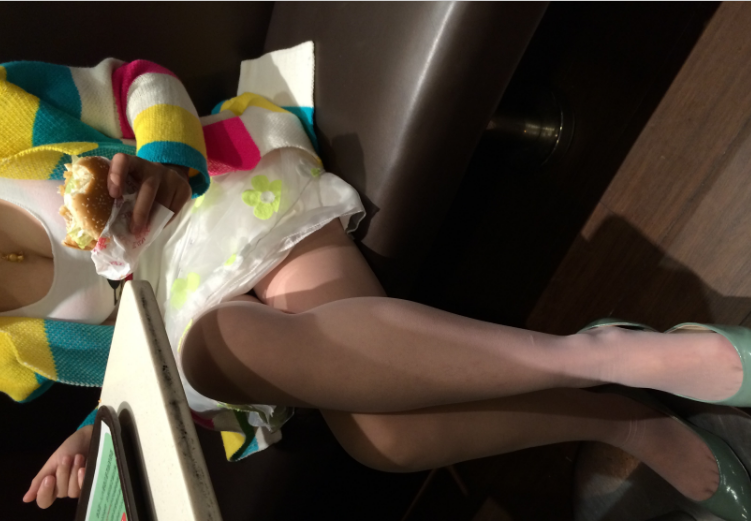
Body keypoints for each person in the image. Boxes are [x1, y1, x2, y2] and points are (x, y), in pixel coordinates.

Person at [2, 56, 750, 520]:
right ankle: (620, 410)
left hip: (220, 202)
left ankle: (610, 366)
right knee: (373, 438)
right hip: (194, 332)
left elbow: (141, 81)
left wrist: (165, 155)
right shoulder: (9, 358)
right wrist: (94, 429)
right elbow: (129, 358)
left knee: (345, 416)